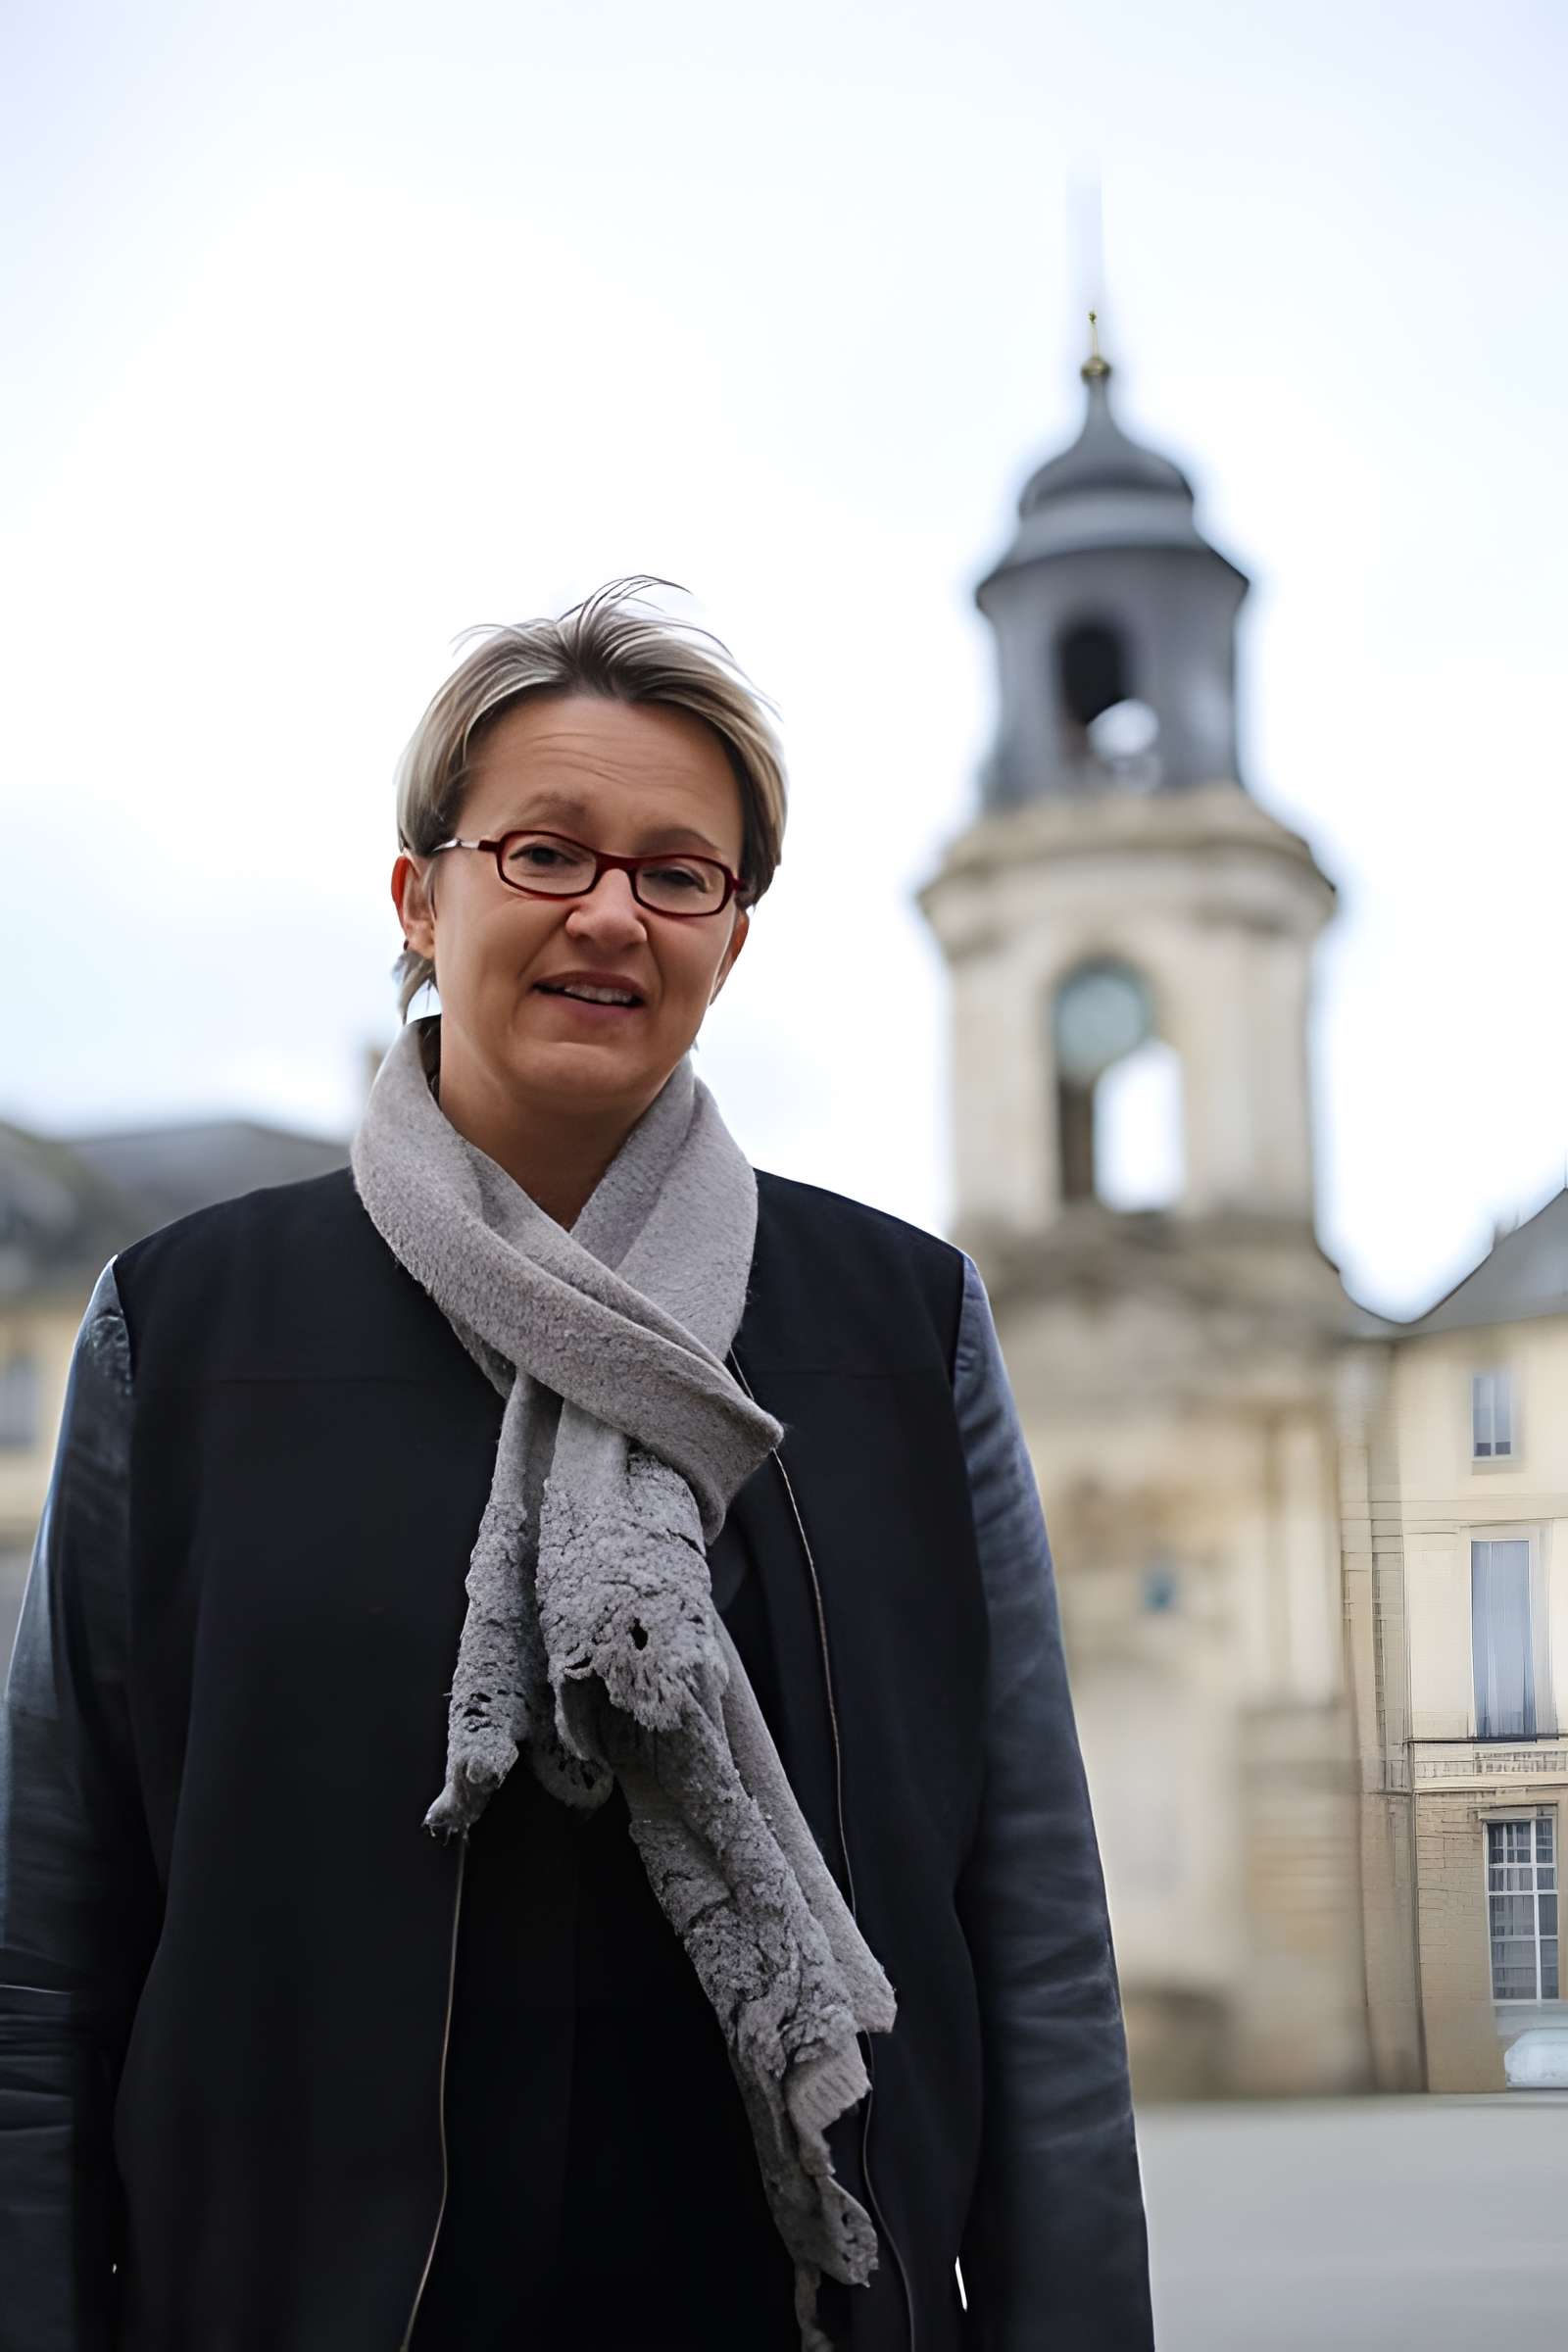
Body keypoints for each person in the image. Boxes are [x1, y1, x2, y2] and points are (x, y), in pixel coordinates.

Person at [0, 579, 1154, 2352]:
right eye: (545, 852)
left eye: (679, 872)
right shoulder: (191, 1323)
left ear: (731, 935)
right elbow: (47, 1959)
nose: (611, 913)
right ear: (420, 895)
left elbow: (1036, 1942)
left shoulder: (902, 1328)